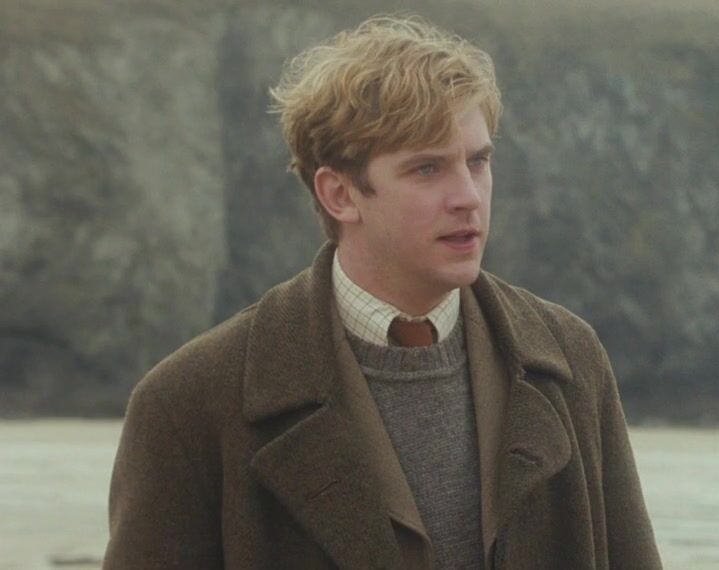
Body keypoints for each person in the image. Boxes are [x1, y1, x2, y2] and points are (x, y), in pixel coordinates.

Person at [104, 16, 661, 570]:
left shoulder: (569, 361)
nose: (468, 196)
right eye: (427, 169)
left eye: (478, 161)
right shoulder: (189, 403)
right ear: (340, 194)